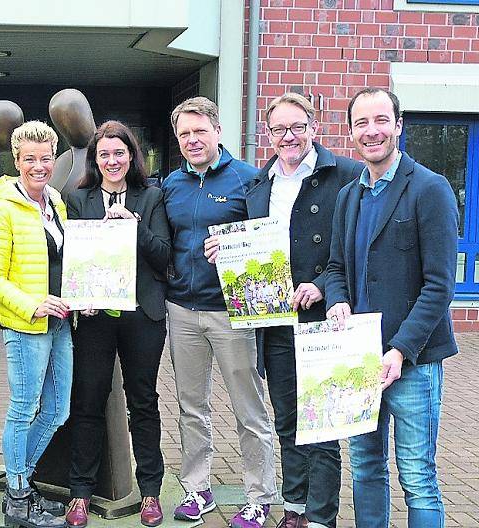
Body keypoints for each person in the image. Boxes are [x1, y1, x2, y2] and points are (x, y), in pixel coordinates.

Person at [204, 92, 363, 528]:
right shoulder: (260, 183)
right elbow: (249, 240)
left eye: (297, 127)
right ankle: (294, 507)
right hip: (273, 321)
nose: (288, 136)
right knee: (289, 419)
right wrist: (224, 248)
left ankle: (320, 518)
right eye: (279, 129)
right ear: (267, 135)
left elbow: (353, 249)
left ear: (314, 128)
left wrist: (324, 284)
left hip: (324, 319)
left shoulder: (345, 176)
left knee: (322, 425)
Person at [324, 88, 459, 528]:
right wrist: (337, 299)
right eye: (361, 123)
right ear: (350, 132)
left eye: (381, 120)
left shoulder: (430, 189)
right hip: (359, 359)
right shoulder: (349, 197)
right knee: (365, 468)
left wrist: (399, 351)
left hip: (411, 361)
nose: (371, 131)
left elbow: (439, 287)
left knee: (418, 477)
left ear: (398, 125)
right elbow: (335, 267)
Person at [161, 96, 278, 528]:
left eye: (199, 131)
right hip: (182, 309)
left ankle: (259, 496)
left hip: (233, 313)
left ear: (218, 131)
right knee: (191, 406)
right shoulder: (170, 184)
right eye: (184, 134)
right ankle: (198, 489)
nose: (192, 140)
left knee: (249, 409)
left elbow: (267, 243)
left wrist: (233, 251)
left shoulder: (249, 180)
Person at [63, 121, 170, 528]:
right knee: (87, 401)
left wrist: (134, 226)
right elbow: (71, 257)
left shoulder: (152, 197)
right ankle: (80, 494)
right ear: (95, 159)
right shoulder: (78, 199)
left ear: (132, 157)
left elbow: (164, 258)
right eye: (104, 154)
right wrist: (77, 298)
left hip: (142, 315)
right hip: (94, 316)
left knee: (142, 402)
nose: (112, 161)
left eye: (119, 153)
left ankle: (150, 493)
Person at [0, 121, 72, 528]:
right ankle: (18, 498)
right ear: (16, 160)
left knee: (57, 410)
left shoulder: (55, 201)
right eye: (30, 158)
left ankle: (21, 481)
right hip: (26, 325)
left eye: (46, 158)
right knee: (23, 410)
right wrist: (33, 305)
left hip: (61, 324)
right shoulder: (0, 210)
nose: (39, 166)